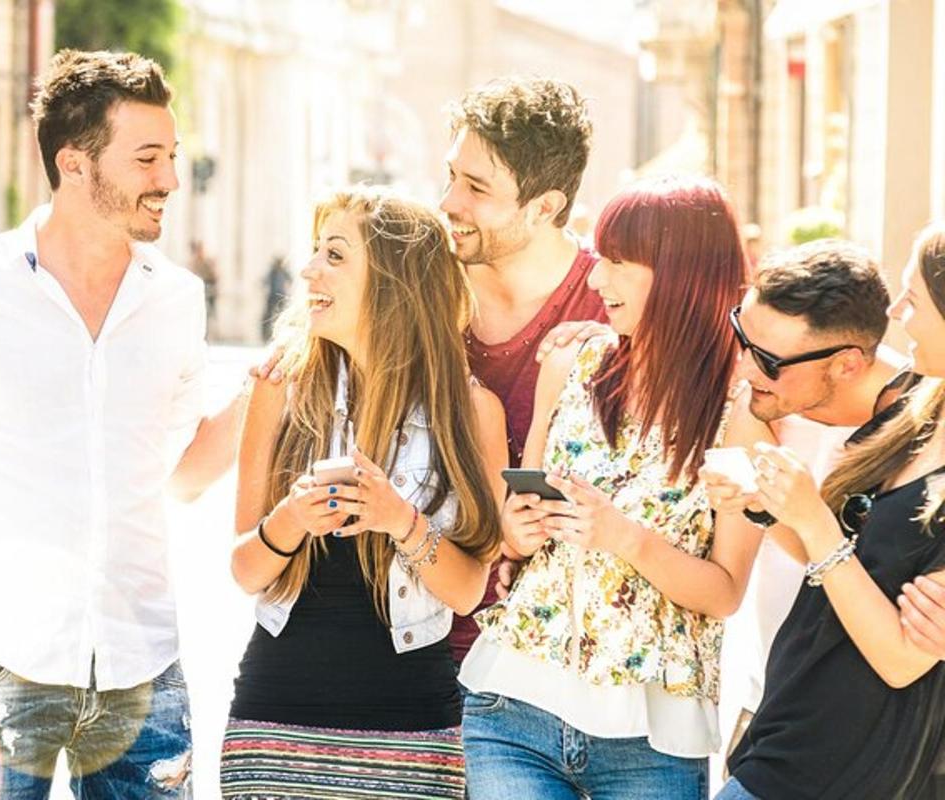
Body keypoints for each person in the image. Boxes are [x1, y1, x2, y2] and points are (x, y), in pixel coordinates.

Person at [0, 50, 242, 798]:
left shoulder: (177, 299)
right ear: (75, 164)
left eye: (173, 155)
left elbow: (183, 475)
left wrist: (274, 385)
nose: (170, 179)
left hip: (142, 663)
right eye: (147, 158)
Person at [460, 175, 772, 799]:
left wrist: (624, 537)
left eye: (618, 262)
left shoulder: (741, 414)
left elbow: (725, 592)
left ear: (682, 273)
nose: (597, 279)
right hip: (513, 708)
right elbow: (517, 535)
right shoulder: (569, 363)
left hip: (651, 739)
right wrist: (517, 532)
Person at [219, 189, 507, 799]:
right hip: (274, 728)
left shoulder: (473, 410)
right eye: (314, 251)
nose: (308, 271)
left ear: (394, 282)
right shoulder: (280, 388)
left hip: (413, 730)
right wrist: (293, 517)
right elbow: (245, 570)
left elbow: (467, 591)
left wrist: (401, 520)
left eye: (335, 255)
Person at [716, 222, 945, 799]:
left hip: (840, 771)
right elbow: (839, 561)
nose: (895, 313)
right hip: (785, 737)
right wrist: (771, 507)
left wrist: (813, 521)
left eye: (913, 299)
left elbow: (900, 658)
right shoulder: (917, 415)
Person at [440, 75, 608, 665]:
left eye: (476, 187)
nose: (449, 202)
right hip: (415, 647)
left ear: (545, 207)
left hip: (550, 665)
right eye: (451, 176)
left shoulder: (610, 305)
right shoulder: (422, 290)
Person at [261, 253, 291, 341]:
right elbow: (265, 281)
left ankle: (279, 335)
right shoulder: (273, 271)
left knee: (281, 315)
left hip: (280, 296)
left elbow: (290, 279)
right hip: (272, 295)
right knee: (268, 316)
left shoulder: (283, 271)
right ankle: (266, 335)